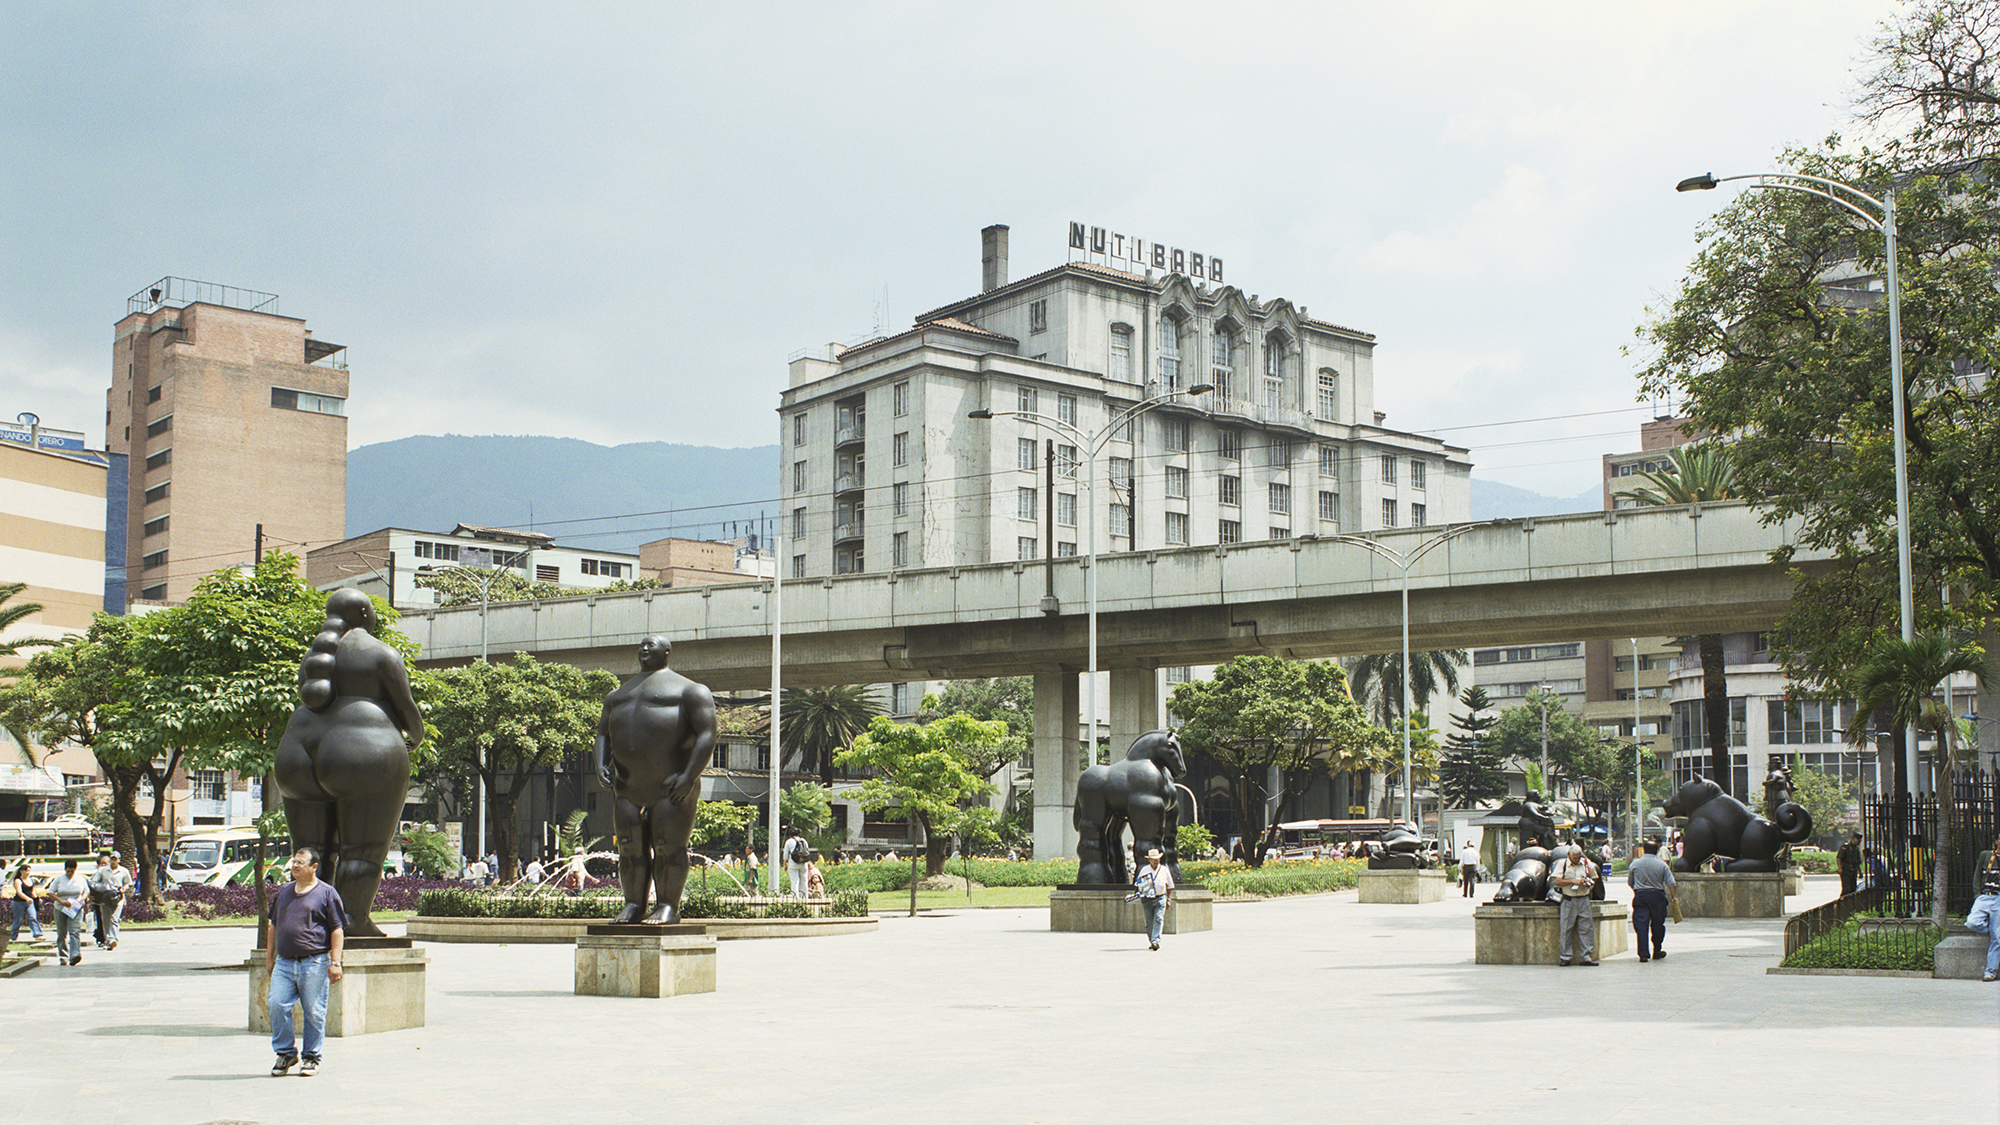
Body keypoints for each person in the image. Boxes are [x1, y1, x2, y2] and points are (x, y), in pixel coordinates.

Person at [274, 588, 424, 939]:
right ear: (362, 612)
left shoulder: (312, 660)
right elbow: (406, 709)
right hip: (362, 752)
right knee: (361, 850)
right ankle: (353, 920)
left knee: (313, 851)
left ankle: (309, 922)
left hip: (296, 752)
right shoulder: (381, 654)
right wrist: (414, 738)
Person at [595, 634, 718, 924]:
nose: (644, 648)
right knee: (629, 847)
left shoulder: (690, 690)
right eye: (641, 645)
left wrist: (689, 776)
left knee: (668, 847)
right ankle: (633, 904)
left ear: (667, 651)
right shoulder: (617, 695)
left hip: (672, 786)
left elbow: (707, 734)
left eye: (651, 645)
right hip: (628, 786)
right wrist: (600, 762)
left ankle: (667, 906)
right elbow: (602, 734)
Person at [266, 848, 346, 1077]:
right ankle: (286, 1053)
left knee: (314, 1011)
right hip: (284, 963)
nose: (295, 866)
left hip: (315, 962)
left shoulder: (327, 893)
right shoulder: (283, 892)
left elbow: (337, 929)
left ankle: (311, 1057)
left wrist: (336, 962)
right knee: (276, 1004)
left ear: (314, 866)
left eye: (301, 862)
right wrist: (269, 957)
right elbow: (273, 926)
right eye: (294, 862)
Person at [1626, 840, 1677, 962]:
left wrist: (1637, 891)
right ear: (1657, 851)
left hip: (1641, 896)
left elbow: (1630, 882)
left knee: (1641, 925)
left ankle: (1643, 953)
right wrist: (1674, 897)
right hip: (1657, 896)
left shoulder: (1635, 864)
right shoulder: (1662, 865)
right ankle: (1657, 950)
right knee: (1658, 924)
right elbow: (1671, 883)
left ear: (1643, 850)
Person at [1550, 843, 1598, 966]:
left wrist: (1588, 884)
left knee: (1586, 928)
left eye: (1578, 857)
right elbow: (1557, 881)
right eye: (1574, 857)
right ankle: (1565, 957)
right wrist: (1572, 881)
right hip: (1568, 899)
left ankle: (1586, 957)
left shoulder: (1587, 864)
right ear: (1569, 855)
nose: (1577, 859)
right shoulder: (1563, 864)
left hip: (1583, 899)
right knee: (1566, 928)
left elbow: (1594, 878)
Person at [49, 858, 89, 966]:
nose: (70, 873)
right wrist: (61, 901)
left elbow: (86, 891)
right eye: (68, 871)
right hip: (61, 908)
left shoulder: (80, 879)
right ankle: (63, 956)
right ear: (65, 869)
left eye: (72, 871)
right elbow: (50, 892)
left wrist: (81, 900)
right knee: (62, 933)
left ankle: (75, 954)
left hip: (75, 908)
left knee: (74, 931)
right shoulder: (59, 879)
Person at [89, 850, 133, 951]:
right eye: (112, 859)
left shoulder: (123, 871)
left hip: (118, 898)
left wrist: (123, 889)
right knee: (105, 919)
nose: (113, 861)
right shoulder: (103, 870)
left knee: (114, 918)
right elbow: (94, 881)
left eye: (115, 859)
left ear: (119, 860)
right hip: (105, 898)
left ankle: (113, 939)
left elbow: (128, 883)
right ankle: (107, 940)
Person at [1133, 847, 1175, 951]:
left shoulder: (1164, 870)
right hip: (1147, 899)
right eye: (1153, 859)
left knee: (1158, 918)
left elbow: (1170, 886)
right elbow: (1138, 885)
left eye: (1157, 859)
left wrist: (1169, 899)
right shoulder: (1144, 870)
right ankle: (1152, 940)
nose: (1156, 861)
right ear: (1149, 860)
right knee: (1149, 922)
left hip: (1160, 897)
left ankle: (1156, 941)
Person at [1965, 871, 2000, 983]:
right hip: (1984, 896)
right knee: (1971, 922)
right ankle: (1993, 929)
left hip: (1998, 898)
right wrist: (1977, 894)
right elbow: (1977, 875)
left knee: (1997, 938)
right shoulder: (1986, 855)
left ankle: (1990, 972)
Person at [9, 862, 43, 941]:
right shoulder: (18, 880)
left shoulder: (30, 880)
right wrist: (27, 898)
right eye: (26, 871)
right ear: (22, 871)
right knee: (18, 920)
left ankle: (38, 934)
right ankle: (13, 936)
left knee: (33, 917)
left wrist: (37, 898)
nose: (28, 873)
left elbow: (33, 891)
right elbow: (19, 892)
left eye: (29, 871)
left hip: (29, 903)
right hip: (19, 903)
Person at [783, 826, 811, 899]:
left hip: (793, 863)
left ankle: (795, 897)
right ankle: (805, 897)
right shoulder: (803, 841)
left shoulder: (789, 841)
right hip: (803, 863)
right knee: (804, 880)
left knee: (794, 880)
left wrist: (785, 864)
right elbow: (807, 851)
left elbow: (785, 854)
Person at [1837, 831, 1863, 898]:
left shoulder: (1856, 849)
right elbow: (1839, 858)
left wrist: (1860, 871)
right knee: (1846, 889)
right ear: (1853, 838)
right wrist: (1840, 868)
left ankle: (1850, 905)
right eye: (1858, 840)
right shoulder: (1845, 847)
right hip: (1846, 871)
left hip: (1853, 871)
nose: (1859, 842)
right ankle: (1842, 904)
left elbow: (1857, 862)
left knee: (1853, 889)